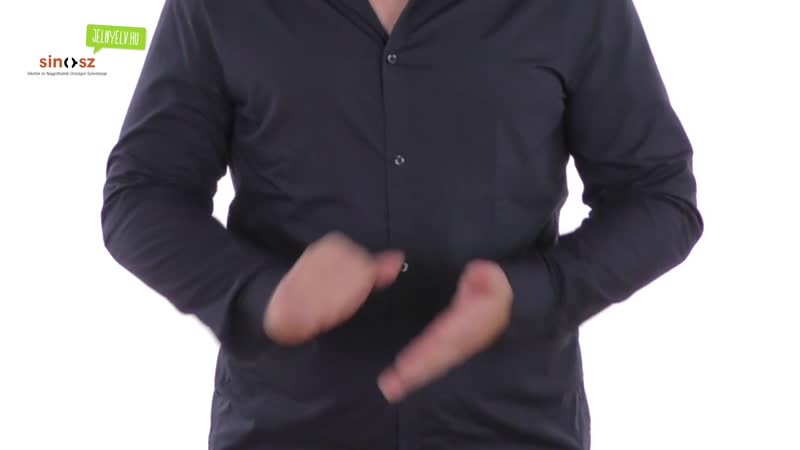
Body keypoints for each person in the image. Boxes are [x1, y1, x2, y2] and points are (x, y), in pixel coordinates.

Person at [101, 0, 703, 449]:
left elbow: (657, 194)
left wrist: (531, 293)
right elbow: (143, 192)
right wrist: (261, 296)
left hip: (510, 428)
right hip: (284, 428)